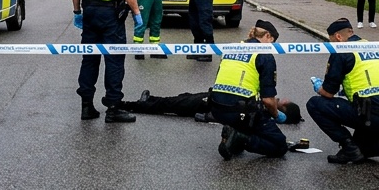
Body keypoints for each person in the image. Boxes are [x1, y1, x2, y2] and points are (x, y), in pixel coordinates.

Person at [306, 18, 379, 167]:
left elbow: (328, 93)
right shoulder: (375, 47)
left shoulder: (343, 50)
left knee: (315, 104)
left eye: (331, 43)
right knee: (365, 150)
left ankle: (348, 147)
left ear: (338, 37)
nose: (332, 47)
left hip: (369, 114)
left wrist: (318, 87)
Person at [72, 0, 143, 123]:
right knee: (114, 60)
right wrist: (136, 12)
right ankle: (113, 108)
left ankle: (87, 107)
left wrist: (77, 11)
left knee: (90, 58)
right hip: (111, 15)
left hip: (90, 12)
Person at [210, 19, 289, 160]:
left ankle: (234, 134)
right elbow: (268, 100)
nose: (272, 46)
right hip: (242, 111)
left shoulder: (232, 47)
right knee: (280, 146)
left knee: (249, 117)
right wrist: (276, 115)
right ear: (267, 36)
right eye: (272, 42)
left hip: (216, 107)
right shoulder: (264, 55)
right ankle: (242, 139)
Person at [121, 86, 303, 125]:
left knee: (174, 104)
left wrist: (208, 118)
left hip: (209, 105)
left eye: (284, 103)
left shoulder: (263, 111)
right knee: (180, 97)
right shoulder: (265, 106)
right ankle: (150, 99)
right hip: (214, 97)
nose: (282, 99)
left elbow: (234, 118)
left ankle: (135, 105)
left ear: (282, 112)